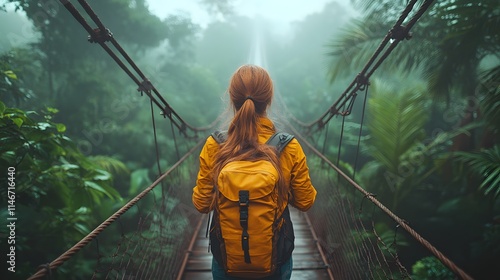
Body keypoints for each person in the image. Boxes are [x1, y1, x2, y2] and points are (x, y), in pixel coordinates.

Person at [192, 64, 317, 280]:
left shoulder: (215, 145)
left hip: (227, 260)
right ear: (268, 100)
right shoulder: (288, 147)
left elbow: (202, 204)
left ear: (232, 99)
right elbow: (306, 202)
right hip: (275, 260)